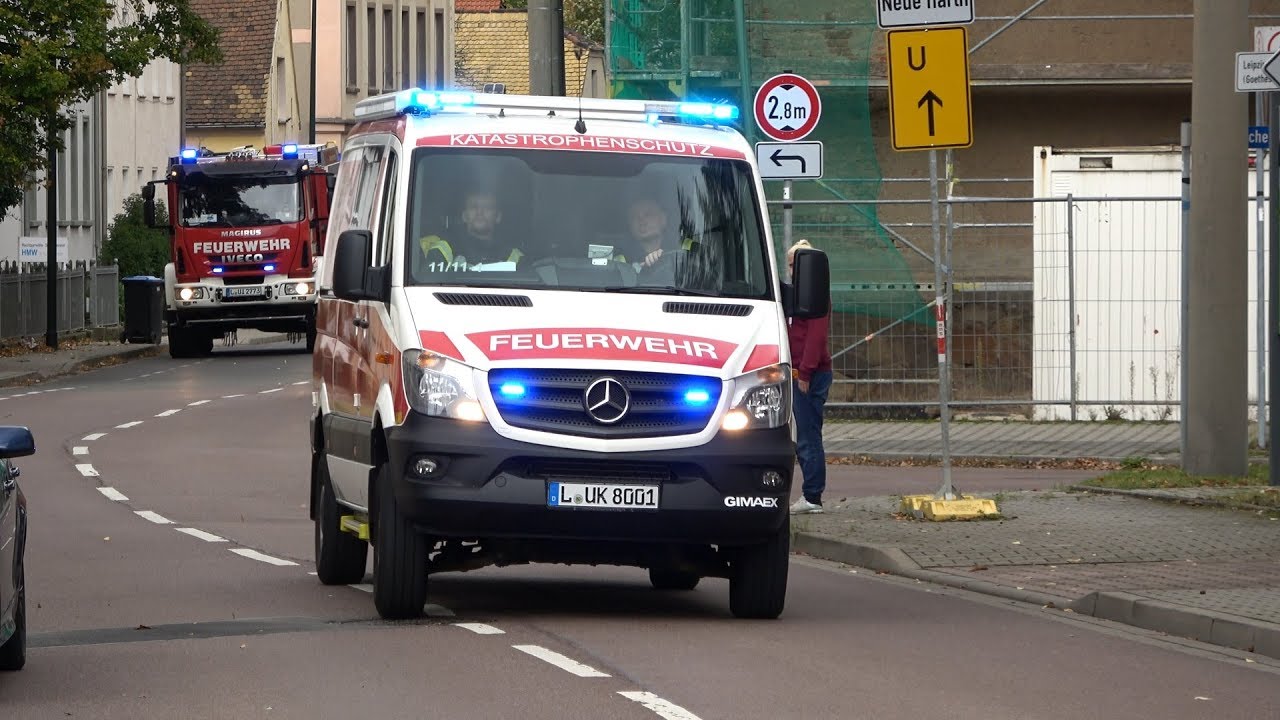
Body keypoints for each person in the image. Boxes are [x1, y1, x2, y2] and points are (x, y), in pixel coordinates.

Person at [787, 239, 832, 515]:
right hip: (800, 371)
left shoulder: (815, 296)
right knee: (806, 433)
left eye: (794, 265)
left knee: (808, 435)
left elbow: (816, 338)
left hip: (808, 374)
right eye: (790, 265)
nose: (791, 270)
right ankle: (811, 494)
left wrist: (804, 372)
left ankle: (812, 496)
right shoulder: (801, 294)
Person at [419, 189, 523, 270]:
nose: (479, 212)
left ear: (498, 217)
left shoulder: (513, 256)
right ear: (464, 216)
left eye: (487, 207)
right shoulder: (444, 249)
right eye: (473, 207)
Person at [616, 195, 696, 278]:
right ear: (630, 226)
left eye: (648, 214)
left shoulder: (682, 242)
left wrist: (670, 257)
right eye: (634, 217)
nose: (642, 221)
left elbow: (705, 253)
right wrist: (639, 270)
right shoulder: (622, 256)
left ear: (663, 219)